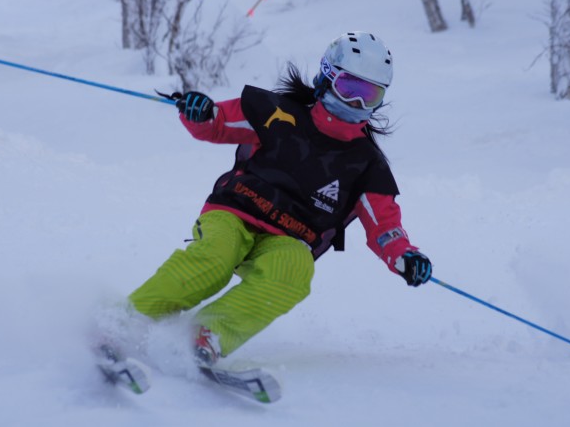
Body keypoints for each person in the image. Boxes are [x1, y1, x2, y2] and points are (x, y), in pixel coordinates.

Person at [128, 31, 432, 366]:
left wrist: (403, 256)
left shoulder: (367, 165)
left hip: (289, 238)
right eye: (350, 89)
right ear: (327, 77)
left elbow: (385, 228)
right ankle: (129, 319)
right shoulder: (280, 114)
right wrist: (200, 112)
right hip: (235, 213)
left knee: (294, 272)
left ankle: (206, 336)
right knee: (216, 258)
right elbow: (217, 124)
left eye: (370, 96)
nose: (357, 104)